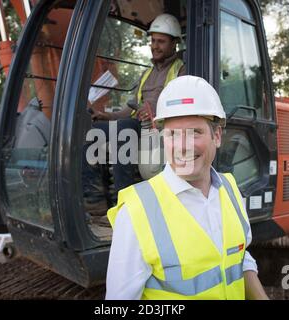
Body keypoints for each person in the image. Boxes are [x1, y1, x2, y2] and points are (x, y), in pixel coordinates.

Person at [105, 76, 269, 300]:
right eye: (173, 134)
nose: (183, 146)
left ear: (217, 135)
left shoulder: (231, 191)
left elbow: (240, 258)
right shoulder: (136, 212)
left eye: (195, 132)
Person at [83, 14, 185, 218]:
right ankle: (96, 201)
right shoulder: (146, 74)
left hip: (160, 130)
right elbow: (129, 110)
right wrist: (103, 115)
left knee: (124, 129)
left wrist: (155, 112)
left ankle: (126, 205)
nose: (155, 46)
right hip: (137, 125)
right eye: (153, 40)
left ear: (174, 43)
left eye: (161, 41)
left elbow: (182, 107)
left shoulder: (181, 71)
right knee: (91, 132)